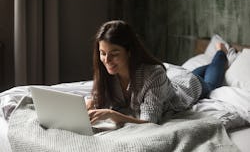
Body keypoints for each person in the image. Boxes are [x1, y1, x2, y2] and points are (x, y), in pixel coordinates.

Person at [87, 20, 228, 126]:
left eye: (114, 54)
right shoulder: (106, 71)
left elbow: (149, 123)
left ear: (129, 51)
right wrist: (89, 105)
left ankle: (221, 52)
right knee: (192, 71)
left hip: (188, 86)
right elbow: (96, 97)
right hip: (173, 77)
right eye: (102, 53)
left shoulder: (153, 75)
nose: (107, 60)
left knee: (210, 84)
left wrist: (112, 115)